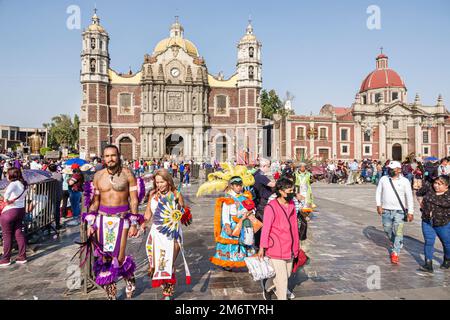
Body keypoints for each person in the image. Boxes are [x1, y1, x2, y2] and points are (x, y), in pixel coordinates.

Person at [84, 145, 144, 299]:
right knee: (105, 258)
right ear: (103, 158)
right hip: (102, 219)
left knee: (120, 257)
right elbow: (95, 201)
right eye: (107, 156)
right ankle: (111, 295)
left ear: (119, 156)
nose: (110, 159)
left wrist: (134, 222)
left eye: (113, 155)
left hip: (121, 219)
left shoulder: (128, 174)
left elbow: (134, 200)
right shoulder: (98, 176)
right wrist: (91, 223)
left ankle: (129, 279)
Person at [143, 169, 191, 300]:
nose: (159, 185)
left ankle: (167, 294)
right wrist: (142, 224)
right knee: (159, 264)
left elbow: (182, 214)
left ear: (168, 181)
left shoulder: (176, 195)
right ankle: (164, 285)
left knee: (168, 263)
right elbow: (148, 214)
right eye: (157, 182)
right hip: (156, 234)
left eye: (162, 182)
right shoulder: (153, 194)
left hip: (172, 234)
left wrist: (181, 212)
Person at [259, 177, 299, 300]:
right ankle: (282, 296)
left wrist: (296, 246)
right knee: (282, 280)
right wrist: (262, 248)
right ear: (281, 191)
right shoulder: (271, 207)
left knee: (286, 274)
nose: (291, 193)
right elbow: (265, 229)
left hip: (289, 246)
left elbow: (294, 228)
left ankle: (268, 285)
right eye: (289, 191)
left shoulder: (292, 204)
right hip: (275, 246)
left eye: (293, 190)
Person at [209, 175, 256, 270]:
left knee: (245, 241)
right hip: (233, 224)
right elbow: (225, 214)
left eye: (240, 185)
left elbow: (252, 208)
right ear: (232, 186)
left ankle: (244, 259)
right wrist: (227, 225)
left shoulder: (245, 197)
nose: (239, 187)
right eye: (237, 185)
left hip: (243, 223)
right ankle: (228, 262)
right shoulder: (228, 198)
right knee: (231, 244)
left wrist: (251, 212)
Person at [376, 161, 414, 264]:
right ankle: (397, 241)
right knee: (387, 229)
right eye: (389, 168)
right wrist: (378, 205)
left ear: (398, 169)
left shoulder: (405, 181)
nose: (390, 170)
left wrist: (410, 211)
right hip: (386, 210)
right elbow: (378, 192)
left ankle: (395, 252)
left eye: (392, 169)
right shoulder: (384, 179)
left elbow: (409, 197)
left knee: (398, 231)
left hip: (400, 211)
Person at [416, 175, 450, 272]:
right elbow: (418, 193)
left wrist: (427, 200)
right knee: (429, 242)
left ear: (446, 186)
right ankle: (428, 264)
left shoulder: (448, 195)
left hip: (443, 223)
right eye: (435, 183)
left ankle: (447, 259)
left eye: (440, 184)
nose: (436, 186)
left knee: (447, 243)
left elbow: (442, 202)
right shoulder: (429, 188)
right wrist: (420, 202)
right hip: (427, 222)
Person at [0, 168, 28, 266]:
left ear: (11, 175)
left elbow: (6, 196)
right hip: (20, 210)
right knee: (19, 233)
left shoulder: (13, 184)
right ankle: (22, 256)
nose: (6, 176)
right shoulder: (24, 184)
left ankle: (6, 259)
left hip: (10, 211)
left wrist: (7, 200)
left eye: (7, 174)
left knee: (7, 235)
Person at [253, 158, 276, 247]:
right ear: (264, 166)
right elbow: (272, 184)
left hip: (260, 201)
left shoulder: (257, 174)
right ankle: (260, 244)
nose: (269, 168)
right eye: (268, 166)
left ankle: (259, 243)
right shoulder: (260, 176)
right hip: (262, 201)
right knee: (263, 222)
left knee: (260, 222)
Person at [48, 164, 64, 230]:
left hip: (51, 194)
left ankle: (48, 224)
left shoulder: (49, 176)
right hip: (59, 193)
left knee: (49, 209)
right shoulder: (60, 175)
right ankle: (57, 224)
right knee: (56, 209)